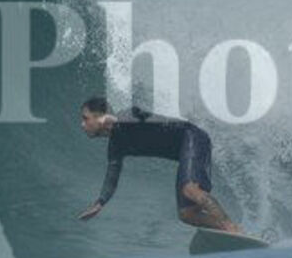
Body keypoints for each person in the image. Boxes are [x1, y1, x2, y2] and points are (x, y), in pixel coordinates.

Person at [76, 96, 242, 233]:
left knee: (190, 189)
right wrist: (100, 203)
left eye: (86, 118)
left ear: (100, 116)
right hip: (185, 152)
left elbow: (142, 114)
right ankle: (225, 228)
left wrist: (115, 119)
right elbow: (112, 174)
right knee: (187, 214)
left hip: (192, 136)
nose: (82, 124)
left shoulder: (127, 117)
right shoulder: (115, 145)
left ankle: (229, 226)